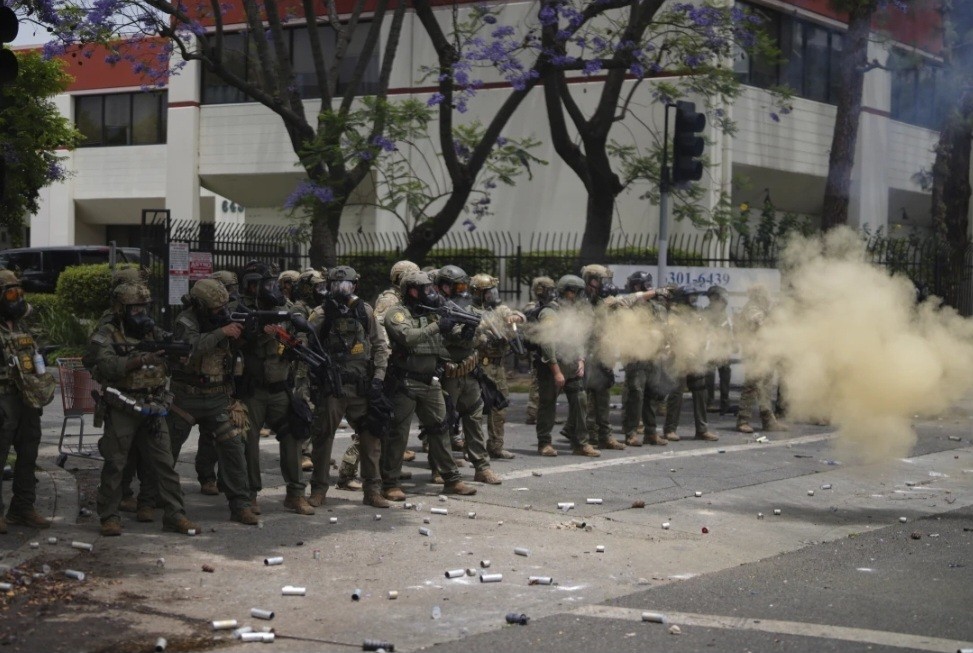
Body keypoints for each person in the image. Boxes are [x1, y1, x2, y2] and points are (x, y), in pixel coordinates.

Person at [86, 282, 197, 536]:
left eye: (144, 308)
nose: (142, 314)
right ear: (121, 309)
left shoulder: (152, 332)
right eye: (135, 309)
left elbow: (172, 347)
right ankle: (109, 516)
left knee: (164, 463)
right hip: (123, 405)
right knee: (116, 463)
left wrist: (179, 355)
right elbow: (107, 367)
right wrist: (140, 359)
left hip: (153, 405)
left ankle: (175, 514)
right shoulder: (107, 334)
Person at [167, 279, 257, 525]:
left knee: (233, 447)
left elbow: (236, 347)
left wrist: (244, 332)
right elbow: (189, 347)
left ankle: (240, 504)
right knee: (166, 449)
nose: (222, 314)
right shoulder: (185, 321)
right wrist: (222, 332)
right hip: (185, 397)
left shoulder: (222, 319)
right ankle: (152, 498)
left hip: (218, 395)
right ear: (200, 306)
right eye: (217, 310)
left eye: (223, 309)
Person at [380, 270, 477, 500]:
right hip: (405, 382)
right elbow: (408, 337)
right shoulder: (397, 313)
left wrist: (466, 331)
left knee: (441, 428)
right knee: (398, 433)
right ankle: (390, 483)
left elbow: (450, 338)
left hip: (431, 382)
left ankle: (451, 479)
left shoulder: (432, 313)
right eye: (426, 289)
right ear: (412, 291)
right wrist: (438, 326)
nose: (431, 293)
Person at [306, 266, 391, 508]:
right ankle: (319, 489)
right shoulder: (320, 315)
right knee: (323, 436)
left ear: (355, 286)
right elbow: (306, 350)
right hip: (333, 388)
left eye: (347, 286)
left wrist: (379, 377)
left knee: (371, 436)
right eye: (336, 286)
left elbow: (379, 346)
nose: (342, 290)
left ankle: (372, 490)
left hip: (362, 387)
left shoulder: (364, 311)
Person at [237, 261, 314, 515]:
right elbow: (235, 339)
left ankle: (295, 494)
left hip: (281, 387)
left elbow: (301, 331)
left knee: (292, 435)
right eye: (264, 284)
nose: (269, 289)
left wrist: (297, 343)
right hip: (254, 389)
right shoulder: (242, 309)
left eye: (272, 283)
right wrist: (259, 331)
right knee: (249, 441)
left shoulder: (286, 308)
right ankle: (249, 495)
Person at [0, 270, 55, 534]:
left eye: (19, 293)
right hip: (3, 398)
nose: (17, 299)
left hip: (27, 398)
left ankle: (22, 508)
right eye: (11, 293)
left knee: (28, 454)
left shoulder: (22, 326)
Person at [438, 267, 501, 485]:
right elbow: (450, 337)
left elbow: (477, 336)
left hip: (470, 371)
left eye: (463, 284)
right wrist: (469, 334)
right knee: (443, 421)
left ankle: (481, 467)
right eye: (456, 285)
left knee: (474, 417)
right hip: (449, 373)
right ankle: (440, 467)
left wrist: (481, 335)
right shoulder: (438, 307)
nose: (461, 289)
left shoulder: (468, 307)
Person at [532, 274, 599, 457]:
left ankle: (581, 443)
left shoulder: (572, 313)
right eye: (575, 292)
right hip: (552, 367)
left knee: (580, 400)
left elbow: (577, 338)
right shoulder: (550, 313)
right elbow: (547, 343)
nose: (578, 296)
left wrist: (581, 359)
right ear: (567, 292)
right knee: (548, 404)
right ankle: (544, 442)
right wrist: (556, 372)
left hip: (571, 364)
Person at [470, 273, 525, 460]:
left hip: (498, 367)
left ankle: (495, 446)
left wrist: (516, 317)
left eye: (493, 291)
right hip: (480, 365)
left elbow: (514, 314)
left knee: (499, 406)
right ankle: (472, 449)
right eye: (488, 292)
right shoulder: (470, 311)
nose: (492, 295)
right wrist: (483, 336)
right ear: (478, 293)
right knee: (475, 409)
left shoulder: (499, 310)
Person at [620, 271, 671, 446]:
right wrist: (655, 292)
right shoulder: (631, 303)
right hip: (636, 356)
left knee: (651, 395)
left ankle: (651, 432)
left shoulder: (658, 307)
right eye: (643, 283)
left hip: (653, 355)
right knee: (636, 394)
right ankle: (631, 432)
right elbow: (632, 301)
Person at [736, 285, 787, 434]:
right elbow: (762, 324)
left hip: (763, 352)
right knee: (751, 385)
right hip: (754, 352)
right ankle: (742, 420)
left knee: (765, 386)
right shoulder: (752, 308)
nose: (767, 296)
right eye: (764, 294)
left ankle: (768, 420)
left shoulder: (761, 308)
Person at [523, 276, 555, 426]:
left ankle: (542, 412)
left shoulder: (551, 306)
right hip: (537, 347)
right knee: (536, 381)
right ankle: (532, 412)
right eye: (548, 290)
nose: (551, 292)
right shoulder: (532, 307)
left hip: (546, 346)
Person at [703, 285, 733, 414]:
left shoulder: (724, 314)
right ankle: (709, 402)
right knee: (709, 375)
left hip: (723, 348)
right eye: (721, 298)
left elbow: (729, 330)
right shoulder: (706, 313)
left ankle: (724, 402)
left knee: (725, 375)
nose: (724, 301)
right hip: (711, 348)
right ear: (714, 298)